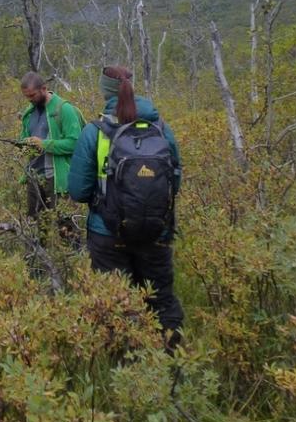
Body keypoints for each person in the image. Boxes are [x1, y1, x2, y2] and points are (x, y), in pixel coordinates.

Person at [67, 65, 184, 352]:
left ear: (105, 92)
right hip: (157, 231)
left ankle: (127, 368)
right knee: (161, 298)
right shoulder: (162, 129)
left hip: (107, 234)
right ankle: (170, 363)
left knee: (117, 300)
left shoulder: (94, 132)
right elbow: (175, 182)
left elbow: (79, 191)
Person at [18, 71, 84, 241]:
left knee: (66, 228)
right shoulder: (29, 113)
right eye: (27, 97)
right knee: (37, 228)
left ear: (44, 89)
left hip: (59, 179)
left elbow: (76, 142)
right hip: (35, 178)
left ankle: (72, 264)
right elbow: (25, 143)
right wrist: (23, 147)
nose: (30, 100)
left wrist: (44, 144)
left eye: (32, 95)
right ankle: (38, 266)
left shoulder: (65, 109)